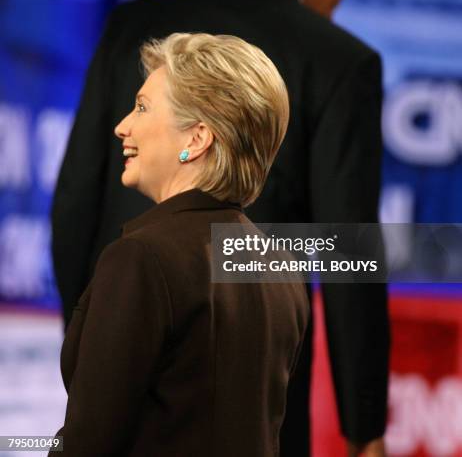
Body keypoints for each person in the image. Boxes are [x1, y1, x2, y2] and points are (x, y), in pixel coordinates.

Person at [52, 0, 389, 457]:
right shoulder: (340, 60)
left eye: (140, 109)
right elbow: (345, 251)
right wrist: (364, 430)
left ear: (199, 137)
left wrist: (95, 350)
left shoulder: (134, 23)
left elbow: (77, 198)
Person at [51, 32, 308, 456]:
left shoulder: (143, 259)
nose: (122, 126)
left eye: (142, 107)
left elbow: (89, 443)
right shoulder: (279, 266)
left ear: (196, 139)